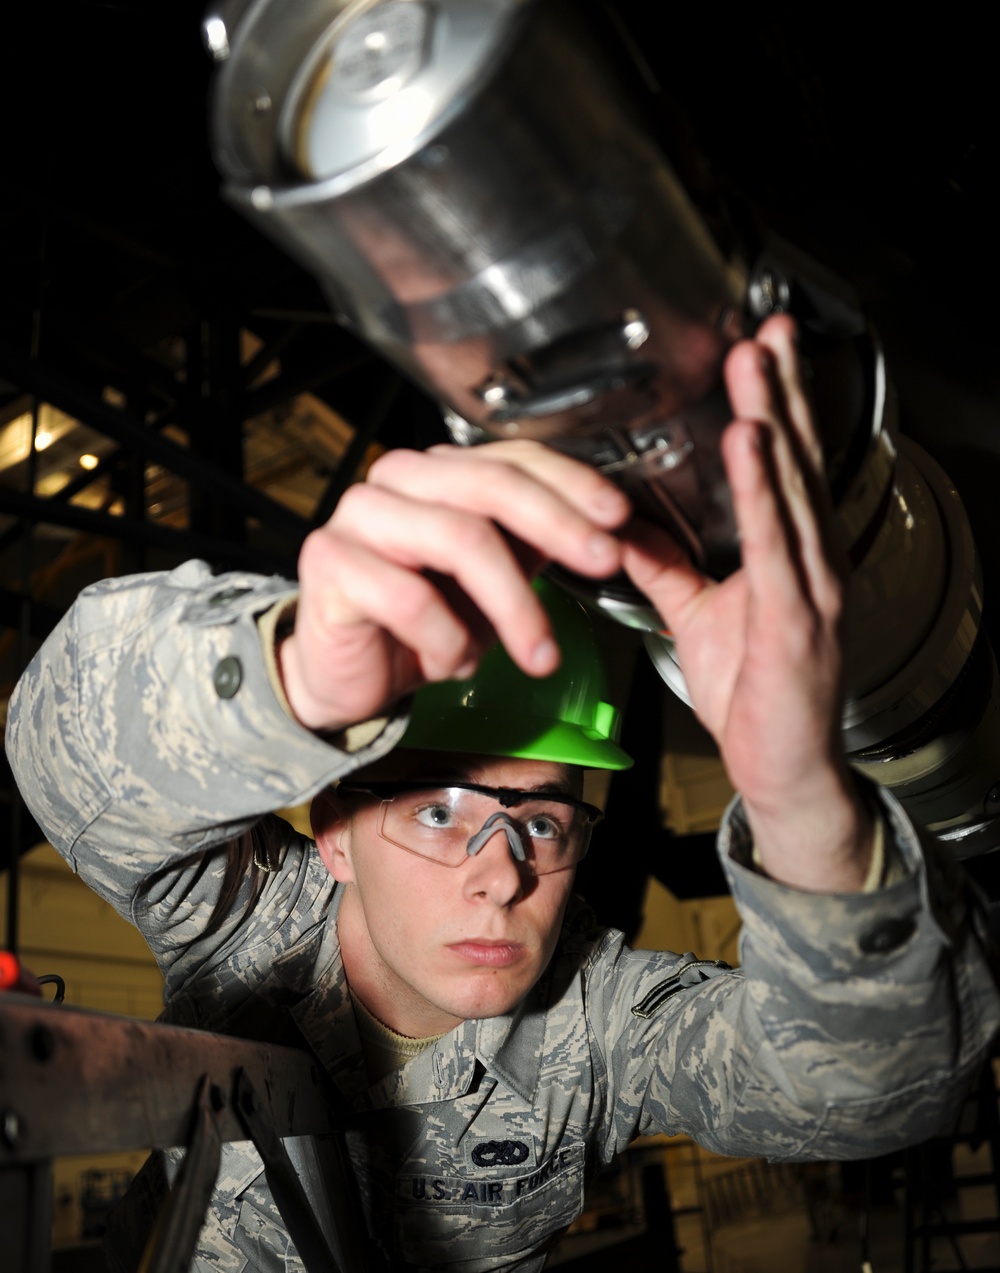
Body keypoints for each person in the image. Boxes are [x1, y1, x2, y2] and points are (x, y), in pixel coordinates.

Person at [6, 317, 999, 1272]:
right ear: (336, 833)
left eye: (538, 820)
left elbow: (875, 1088)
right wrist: (291, 674)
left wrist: (801, 799)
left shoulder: (598, 1023)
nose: (500, 879)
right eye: (439, 811)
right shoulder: (245, 929)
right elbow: (65, 749)